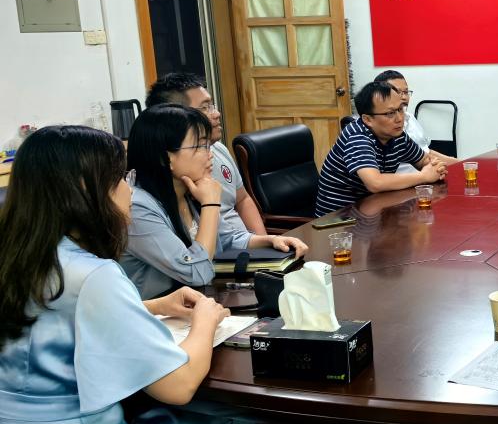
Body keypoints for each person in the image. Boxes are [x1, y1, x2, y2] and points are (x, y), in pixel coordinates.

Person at [0, 125, 266, 424]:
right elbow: (179, 386)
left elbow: (48, 317)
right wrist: (206, 321)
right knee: (228, 419)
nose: (129, 190)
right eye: (121, 178)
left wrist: (151, 305)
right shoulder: (94, 275)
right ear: (87, 191)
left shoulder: (21, 257)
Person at [120, 105, 307, 300]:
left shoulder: (188, 191)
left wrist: (269, 240)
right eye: (200, 146)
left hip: (201, 301)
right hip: (160, 314)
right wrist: (210, 204)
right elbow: (196, 273)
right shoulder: (137, 208)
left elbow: (226, 239)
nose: (210, 154)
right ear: (165, 158)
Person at [146, 72, 267, 236]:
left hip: (240, 242)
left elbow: (243, 199)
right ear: (176, 115)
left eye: (212, 105)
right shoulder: (179, 173)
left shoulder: (219, 149)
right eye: (205, 107)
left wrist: (265, 241)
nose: (216, 113)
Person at [315, 81, 447, 217]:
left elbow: (424, 160)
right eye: (390, 113)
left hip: (374, 211)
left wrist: (435, 167)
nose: (399, 118)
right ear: (368, 119)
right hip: (340, 220)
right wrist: (423, 176)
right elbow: (375, 183)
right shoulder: (357, 137)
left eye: (400, 109)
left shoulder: (396, 135)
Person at [373, 70, 459, 171]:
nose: (404, 97)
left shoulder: (410, 118)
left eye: (406, 92)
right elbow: (375, 179)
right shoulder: (376, 129)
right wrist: (424, 176)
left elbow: (426, 153)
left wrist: (461, 163)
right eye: (397, 92)